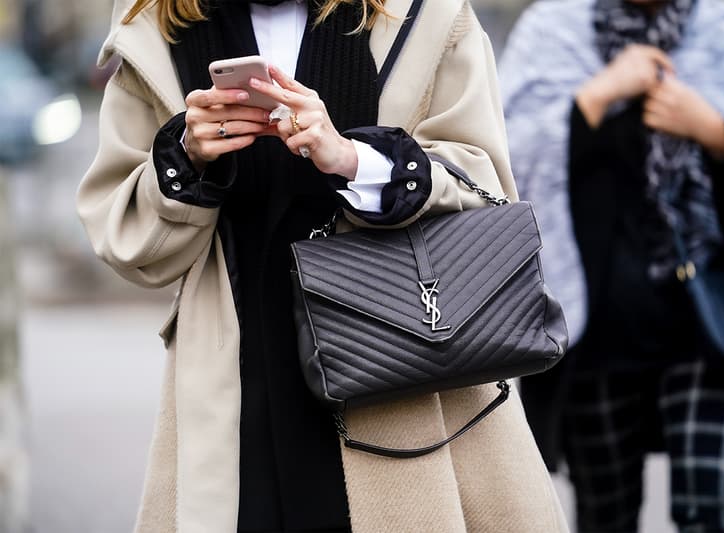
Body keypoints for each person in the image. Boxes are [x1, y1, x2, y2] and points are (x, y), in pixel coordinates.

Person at [77, 1, 569, 532]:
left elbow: (485, 182)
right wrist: (187, 156)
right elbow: (124, 236)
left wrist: (356, 160)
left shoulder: (427, 14)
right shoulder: (158, 26)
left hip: (400, 357)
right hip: (236, 373)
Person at [500, 0, 724, 531]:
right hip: (595, 332)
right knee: (605, 515)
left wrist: (717, 133)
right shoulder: (551, 31)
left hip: (715, 328)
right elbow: (506, 166)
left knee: (714, 509)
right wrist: (594, 98)